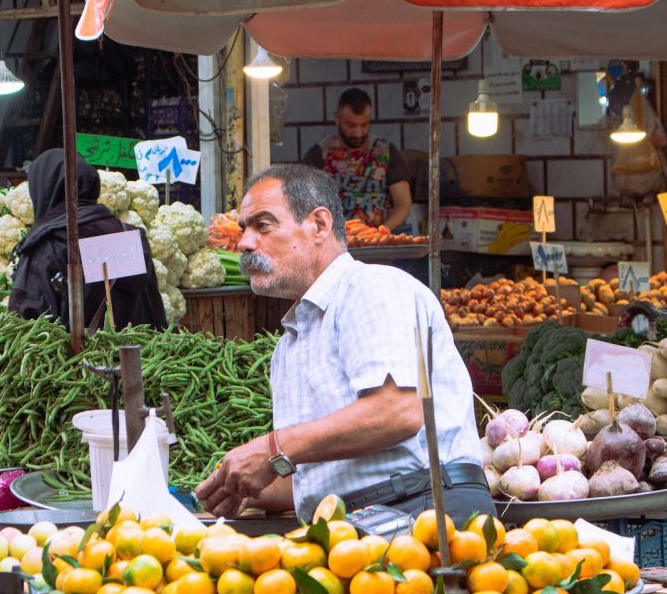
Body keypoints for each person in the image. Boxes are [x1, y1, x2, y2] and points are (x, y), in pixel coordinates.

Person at [195, 163, 489, 525]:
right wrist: (241, 486)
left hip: (423, 511)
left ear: (319, 224)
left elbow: (396, 412)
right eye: (244, 229)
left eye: (263, 225)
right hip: (350, 524)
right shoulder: (288, 347)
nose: (244, 243)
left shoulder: (371, 288)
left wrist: (272, 449)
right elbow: (325, 475)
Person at [9, 149, 166, 330]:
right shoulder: (129, 236)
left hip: (77, 358)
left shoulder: (48, 246)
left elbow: (26, 328)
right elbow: (155, 312)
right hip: (137, 356)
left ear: (41, 191)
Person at [302, 87, 412, 231]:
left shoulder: (386, 151)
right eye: (351, 125)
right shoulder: (319, 153)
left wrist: (382, 231)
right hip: (334, 241)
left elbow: (403, 203)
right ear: (337, 119)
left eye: (364, 125)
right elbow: (303, 202)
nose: (358, 132)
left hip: (378, 241)